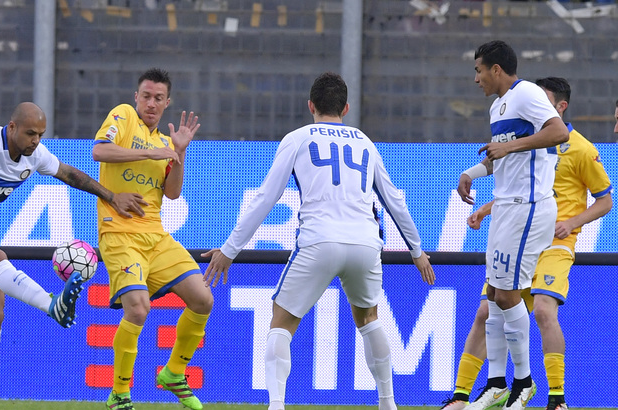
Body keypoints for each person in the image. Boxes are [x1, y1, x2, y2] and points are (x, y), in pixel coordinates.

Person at [202, 71, 436, 410]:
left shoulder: (297, 138)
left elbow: (267, 197)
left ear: (310, 105)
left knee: (281, 319)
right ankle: (388, 403)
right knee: (369, 318)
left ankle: (277, 405)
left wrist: (229, 250)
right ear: (346, 108)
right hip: (366, 244)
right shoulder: (364, 142)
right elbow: (393, 200)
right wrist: (417, 251)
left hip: (319, 240)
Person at [0, 102, 147, 410]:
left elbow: (69, 173)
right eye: (30, 133)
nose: (36, 140)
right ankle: (51, 305)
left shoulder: (34, 154)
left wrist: (112, 196)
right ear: (12, 127)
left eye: (40, 134)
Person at [442, 78, 614, 410]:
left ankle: (556, 398)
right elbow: (518, 186)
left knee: (545, 313)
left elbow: (605, 200)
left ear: (560, 107)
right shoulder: (528, 139)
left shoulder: (581, 148)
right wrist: (485, 208)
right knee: (485, 310)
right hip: (518, 230)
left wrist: (572, 222)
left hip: (554, 244)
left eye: (543, 103)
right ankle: (464, 395)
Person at [456, 41, 570, 410]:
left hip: (529, 208)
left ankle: (523, 383)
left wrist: (511, 146)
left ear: (497, 70)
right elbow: (503, 155)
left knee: (507, 295)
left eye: (479, 70)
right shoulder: (497, 106)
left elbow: (558, 133)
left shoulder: (528, 94)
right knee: (492, 297)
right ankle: (496, 383)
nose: (476, 78)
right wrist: (471, 173)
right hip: (506, 207)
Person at [92, 68, 211, 410]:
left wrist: (179, 152)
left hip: (156, 236)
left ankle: (174, 372)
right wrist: (151, 154)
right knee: (138, 308)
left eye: (158, 98)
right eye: (146, 95)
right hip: (119, 234)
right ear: (136, 96)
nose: (151, 103)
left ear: (167, 103)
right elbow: (100, 152)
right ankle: (119, 393)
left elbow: (172, 194)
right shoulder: (123, 116)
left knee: (203, 299)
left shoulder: (165, 143)